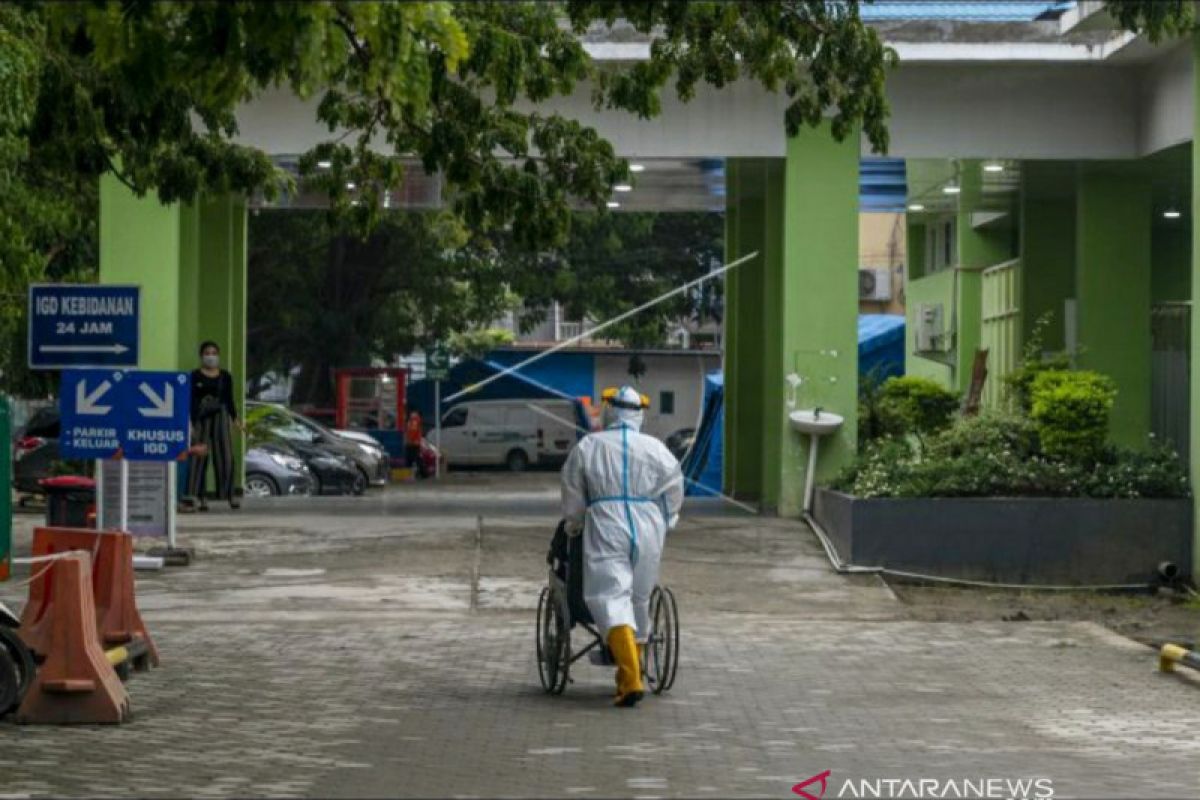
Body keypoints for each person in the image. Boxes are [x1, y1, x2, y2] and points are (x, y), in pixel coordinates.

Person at [561, 385, 684, 707]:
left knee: (609, 594)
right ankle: (631, 670)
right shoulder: (656, 449)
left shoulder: (590, 446)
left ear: (610, 410)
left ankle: (630, 678)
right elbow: (674, 488)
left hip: (606, 519)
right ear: (639, 413)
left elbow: (573, 492)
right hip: (648, 522)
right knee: (639, 597)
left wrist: (574, 524)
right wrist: (667, 518)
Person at [184, 341, 243, 511]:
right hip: (200, 418)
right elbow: (190, 401)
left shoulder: (225, 376)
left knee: (225, 456)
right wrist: (191, 422)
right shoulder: (194, 376)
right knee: (199, 457)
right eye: (207, 353)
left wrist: (235, 418)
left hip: (221, 416)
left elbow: (229, 399)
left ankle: (229, 494)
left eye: (214, 353)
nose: (211, 356)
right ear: (201, 356)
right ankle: (197, 497)